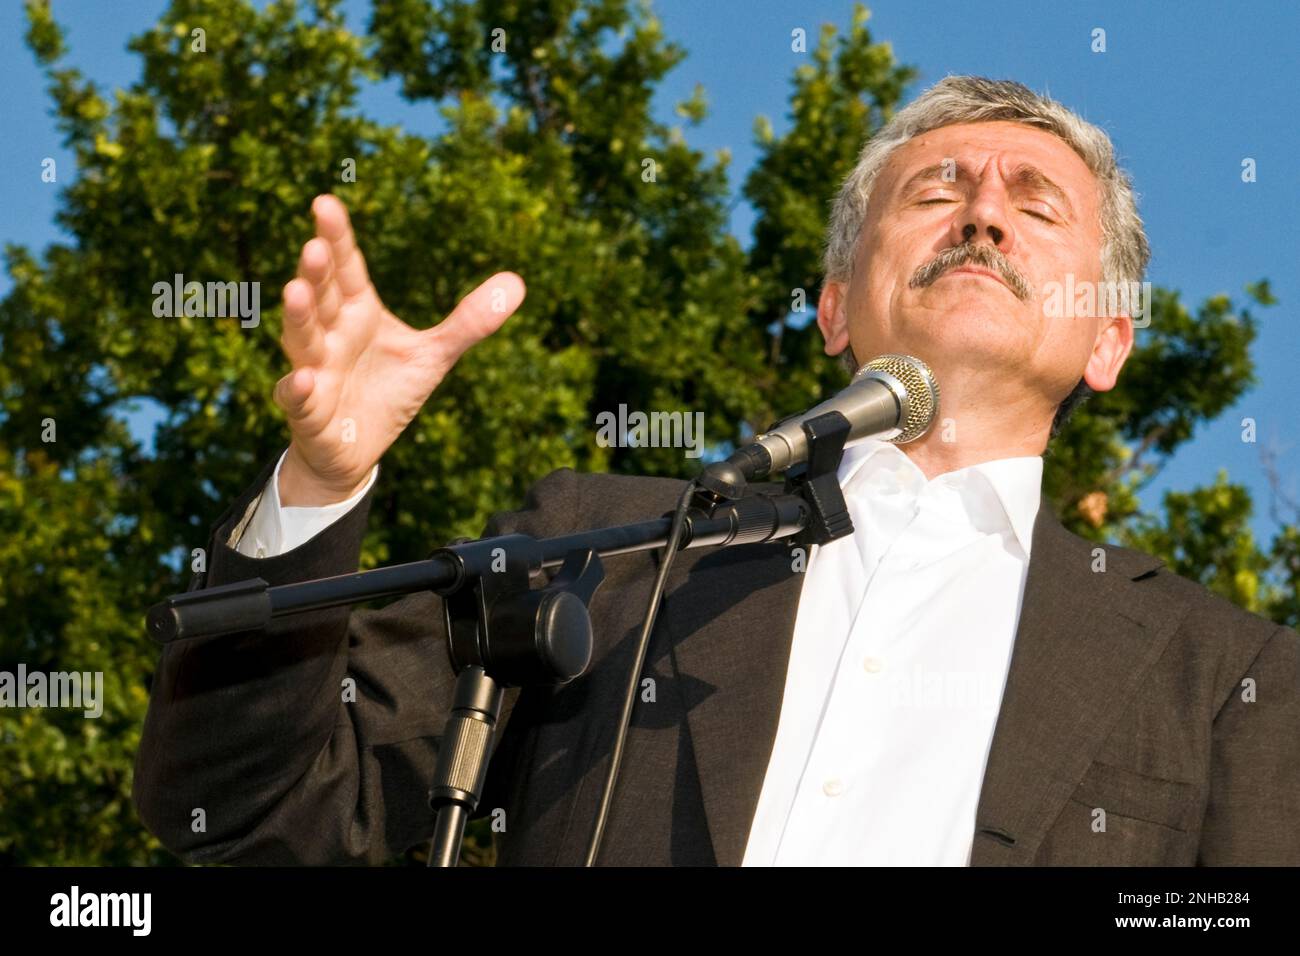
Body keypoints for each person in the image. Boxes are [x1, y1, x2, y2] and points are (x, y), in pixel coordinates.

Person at [133, 76, 1299, 866]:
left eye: (1035, 201)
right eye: (936, 190)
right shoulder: (600, 544)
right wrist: (320, 483)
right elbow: (248, 816)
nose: (983, 214)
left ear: (1107, 340)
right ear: (837, 307)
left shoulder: (1226, 676)